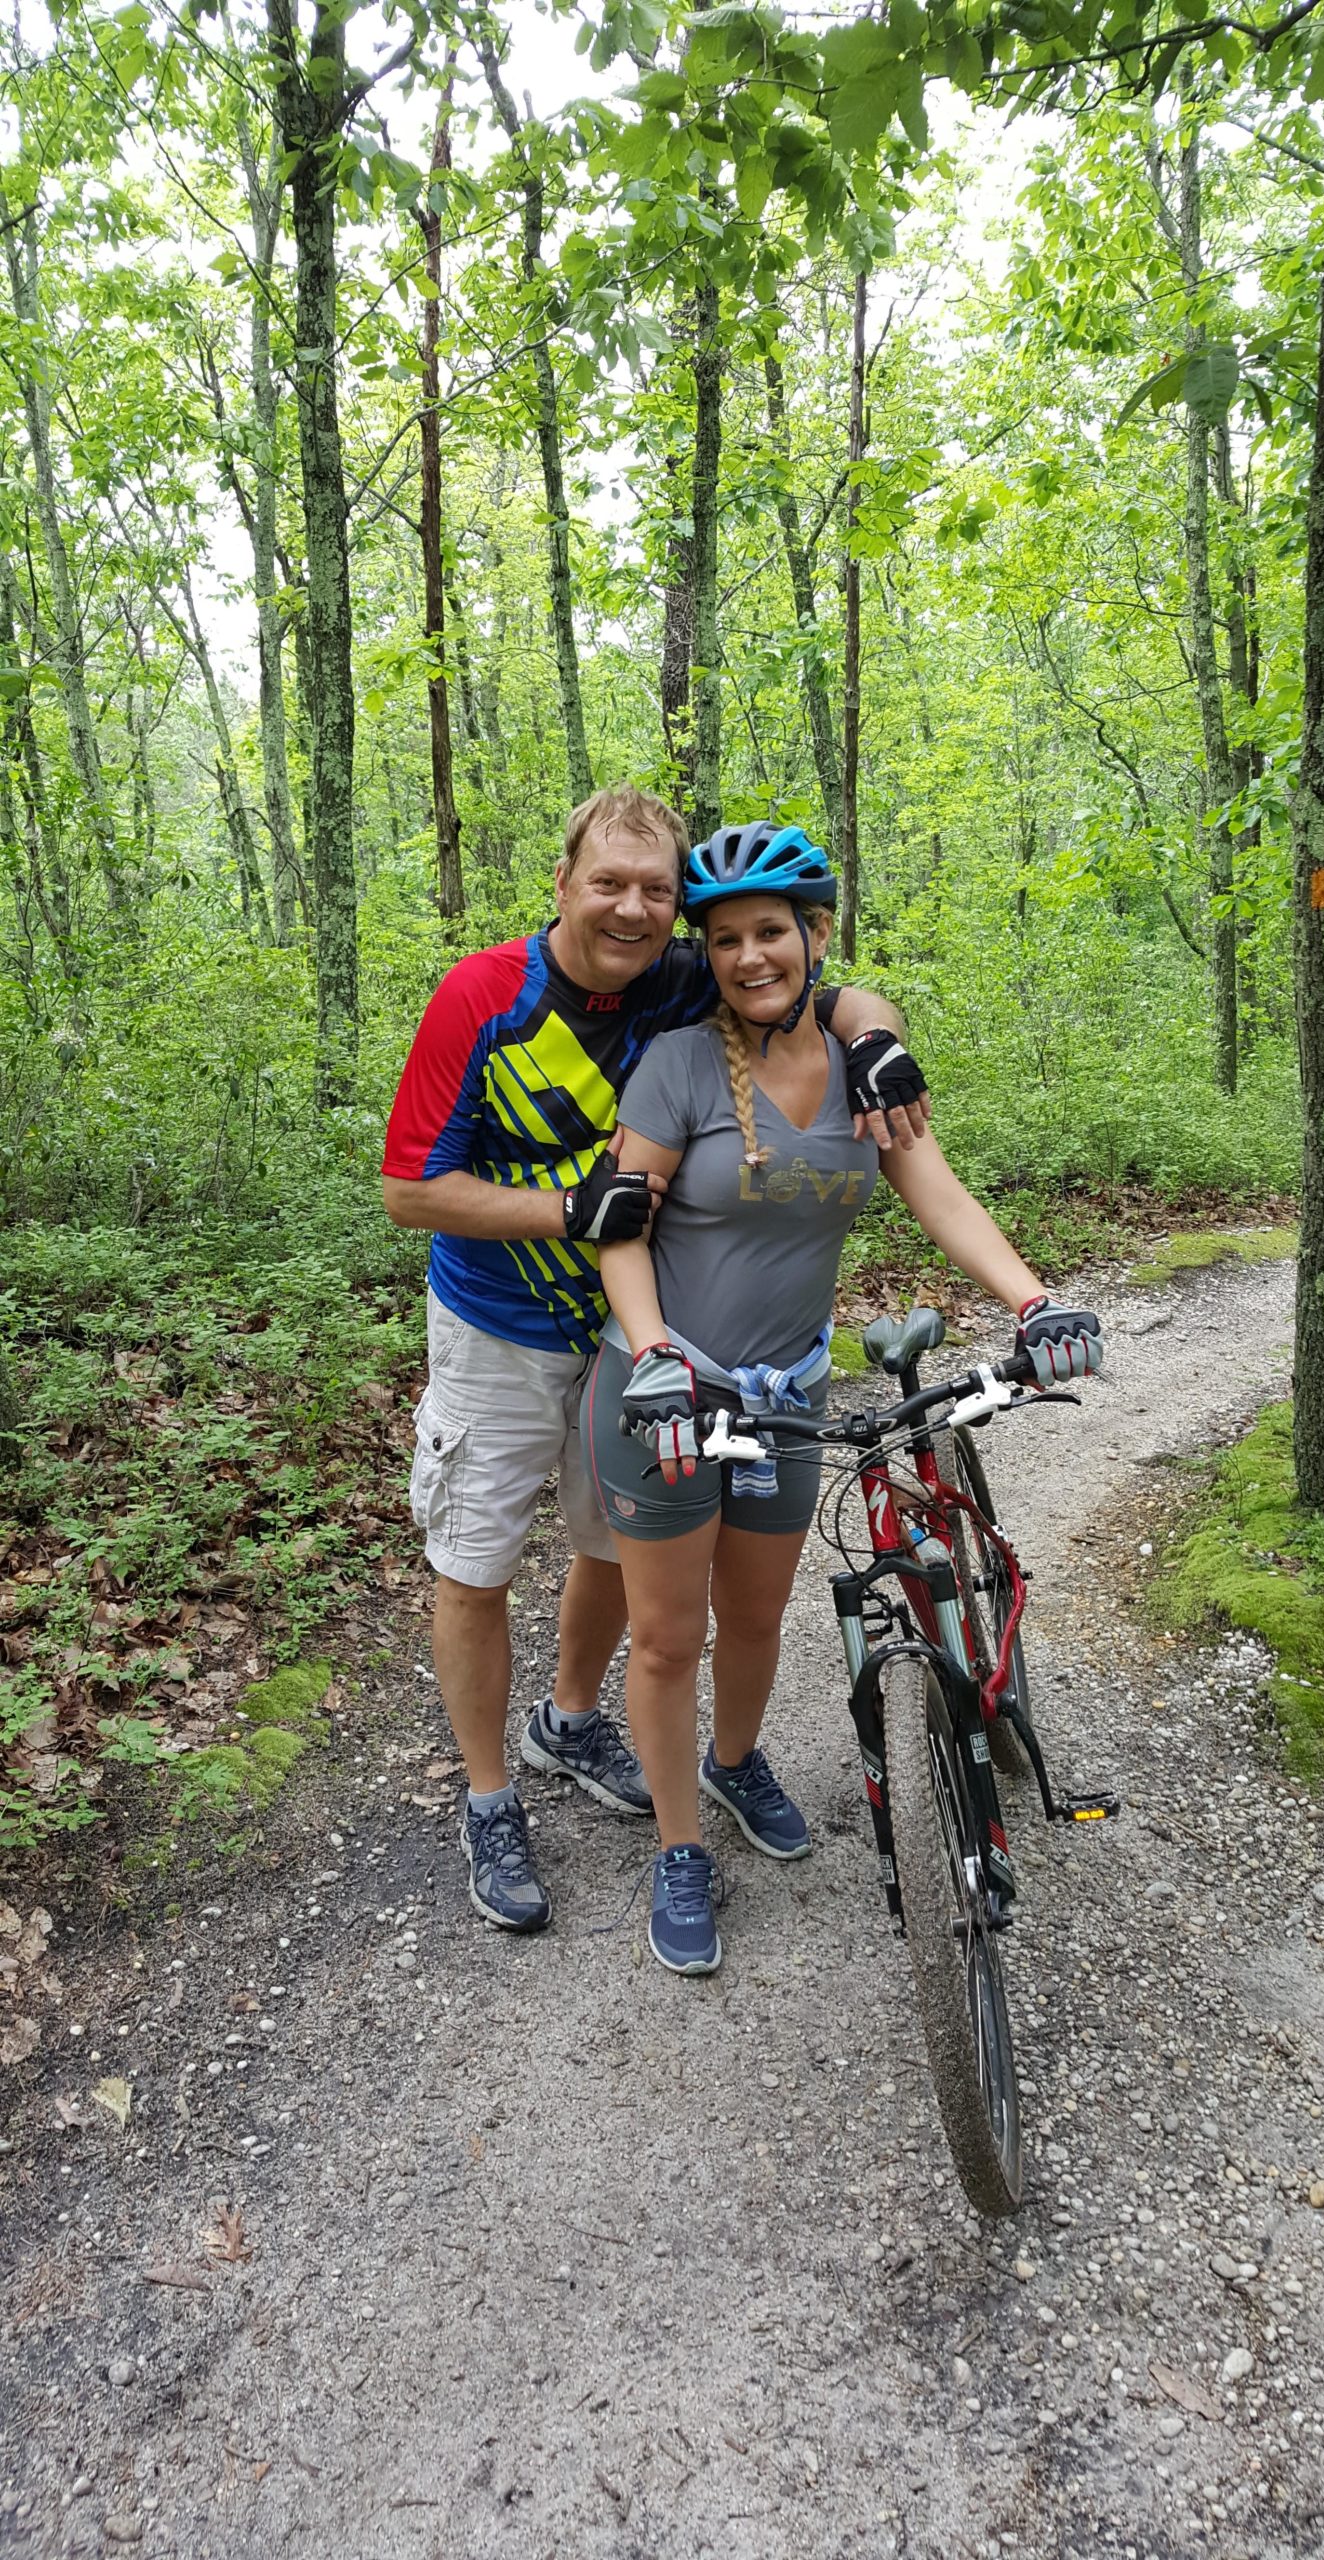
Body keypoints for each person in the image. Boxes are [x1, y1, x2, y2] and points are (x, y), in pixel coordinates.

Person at [380, 786, 933, 1935]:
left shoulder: (684, 978)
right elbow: (409, 1189)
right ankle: (492, 1797)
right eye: (608, 883)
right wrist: (570, 1207)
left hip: (645, 1336)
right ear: (564, 882)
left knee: (615, 1553)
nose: (632, 908)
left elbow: (817, 987)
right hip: (502, 1326)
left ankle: (573, 1715)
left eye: (656, 890)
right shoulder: (483, 996)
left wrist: (879, 1035)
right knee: (477, 1561)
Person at [584, 820, 1103, 1976]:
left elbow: (939, 1191)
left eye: (772, 931)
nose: (749, 955)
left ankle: (736, 1758)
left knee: (760, 1618)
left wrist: (1034, 1302)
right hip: (666, 1396)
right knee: (668, 1638)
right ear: (706, 953)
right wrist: (656, 1351)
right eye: (725, 939)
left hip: (789, 1397)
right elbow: (621, 1227)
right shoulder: (675, 1064)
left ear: (815, 935)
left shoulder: (867, 1064)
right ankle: (679, 1848)